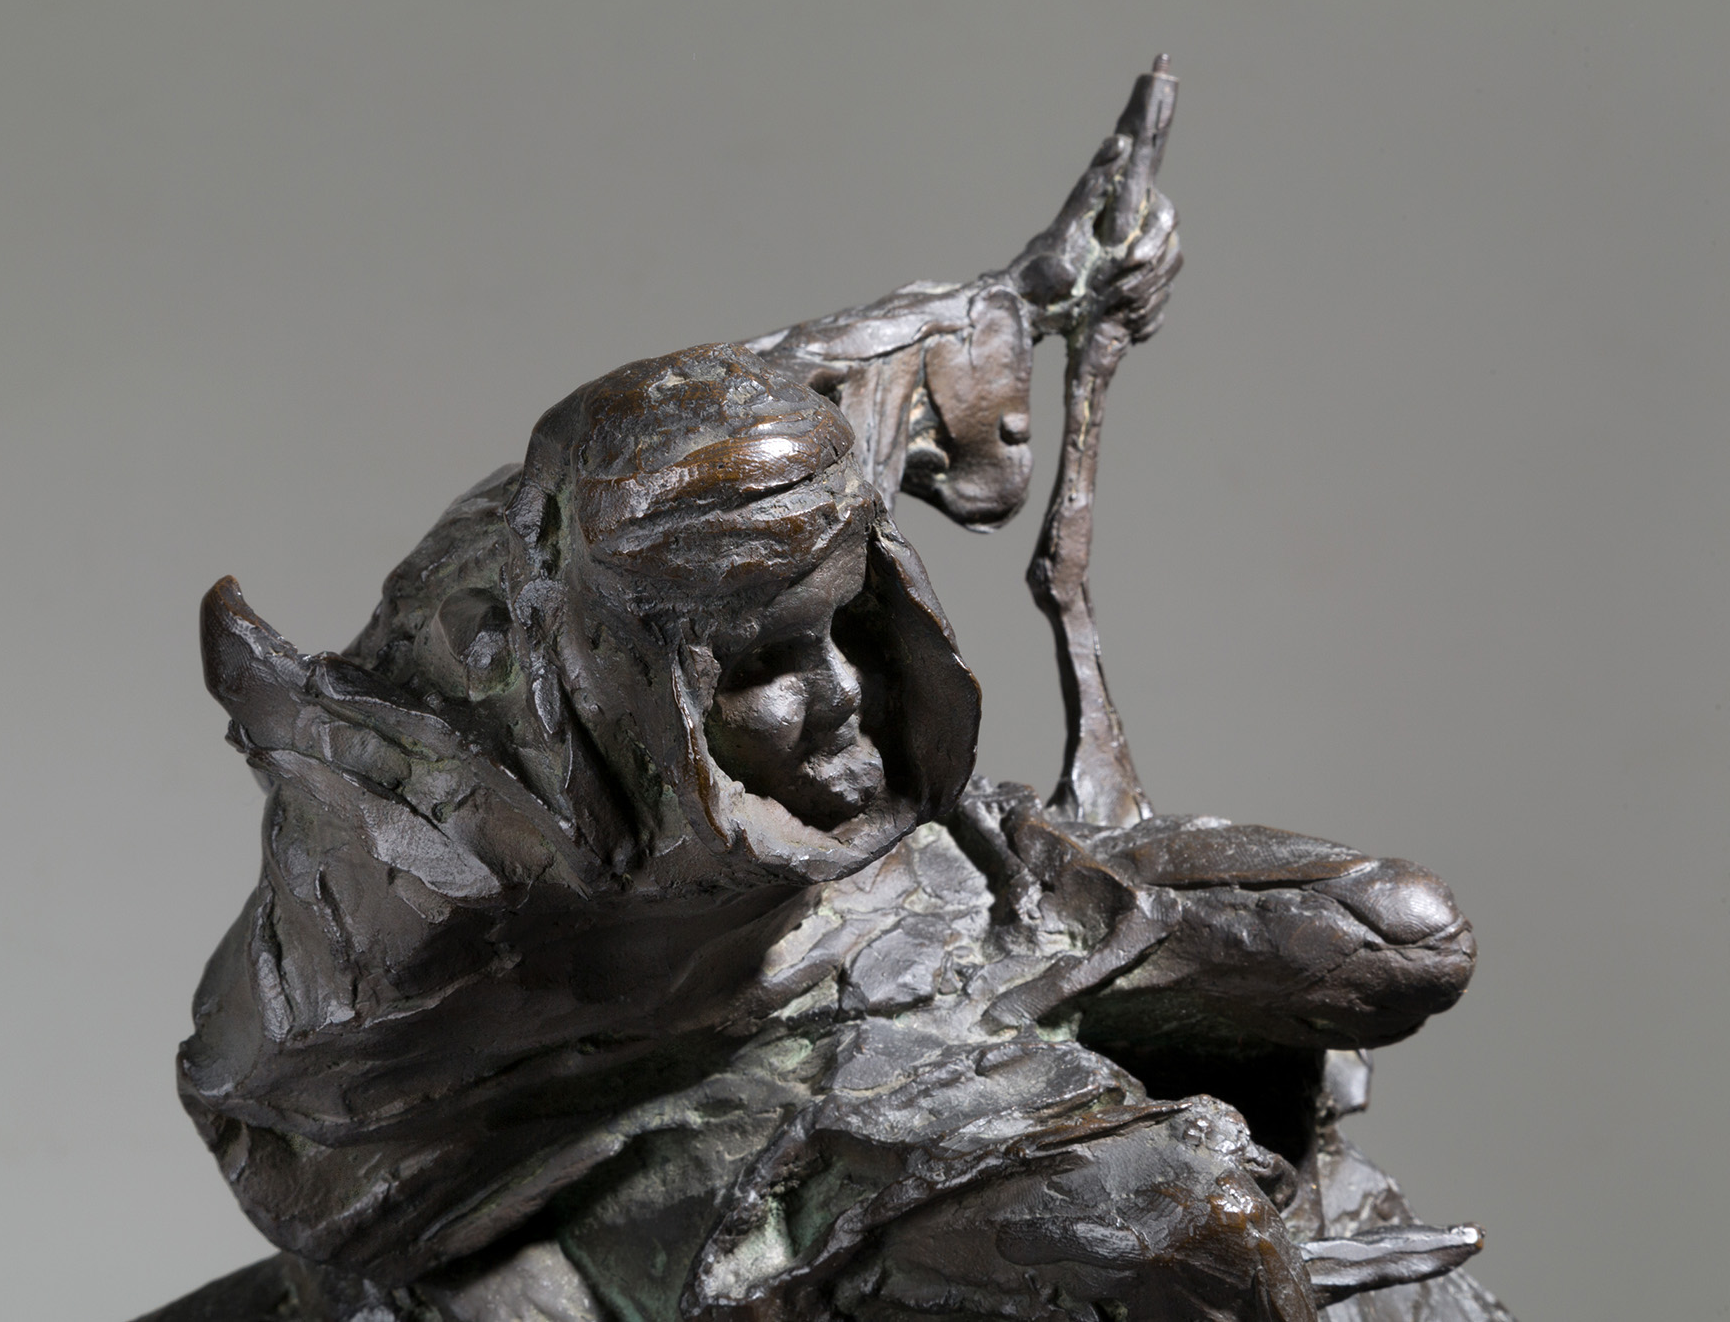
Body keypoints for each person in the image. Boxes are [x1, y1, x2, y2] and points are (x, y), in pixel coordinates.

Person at [161, 343, 1486, 1322]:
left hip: (949, 900)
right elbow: (316, 1121)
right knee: (1196, 1240)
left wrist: (1048, 275)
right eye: (761, 666)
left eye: (847, 622)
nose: (844, 692)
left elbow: (836, 363)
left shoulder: (681, 494)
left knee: (1396, 937)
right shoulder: (432, 822)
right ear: (620, 678)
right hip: (703, 1096)